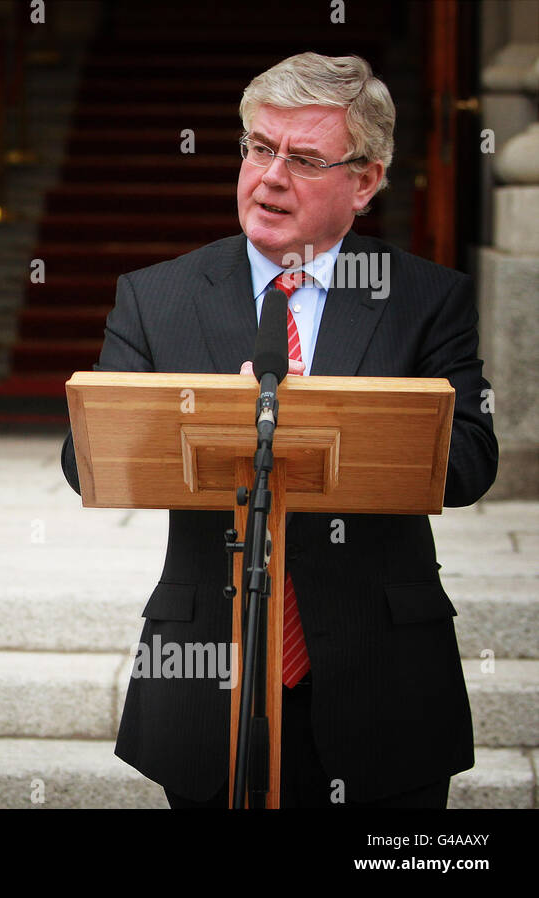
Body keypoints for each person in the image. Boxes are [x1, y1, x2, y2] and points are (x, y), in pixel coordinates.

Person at [61, 52, 497, 808]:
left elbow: (470, 461)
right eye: (259, 148)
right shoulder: (156, 297)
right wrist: (210, 419)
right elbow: (87, 456)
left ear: (365, 180)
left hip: (383, 672)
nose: (269, 176)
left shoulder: (426, 299)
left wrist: (306, 426)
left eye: (302, 159)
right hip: (209, 666)